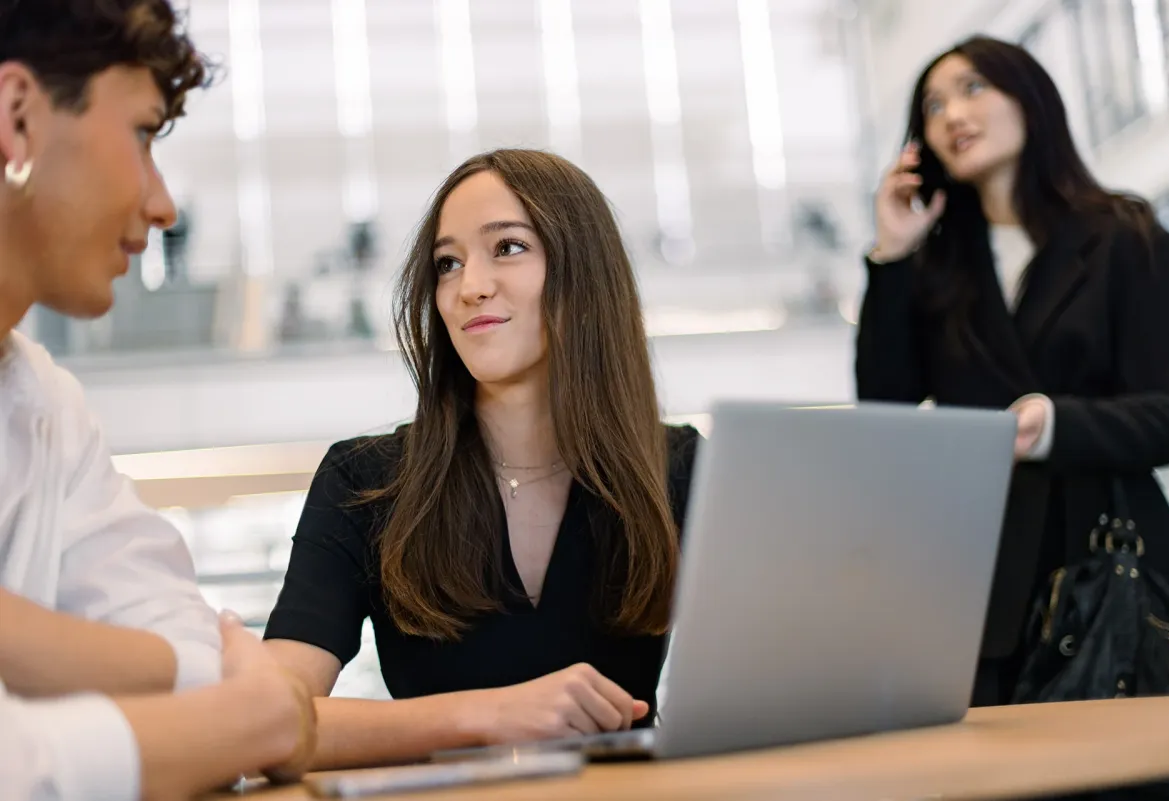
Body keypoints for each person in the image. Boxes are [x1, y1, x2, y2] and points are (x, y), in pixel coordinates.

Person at [264, 148, 701, 769]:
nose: (469, 287)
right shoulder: (364, 481)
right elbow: (267, 723)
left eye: (508, 248)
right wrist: (487, 716)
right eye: (448, 263)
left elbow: (787, 676)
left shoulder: (680, 469)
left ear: (585, 273)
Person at [0, 1, 315, 797]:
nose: (163, 204)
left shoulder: (49, 405)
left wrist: (24, 642)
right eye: (143, 135)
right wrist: (244, 720)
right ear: (16, 117)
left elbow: (190, 643)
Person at [856, 35, 1169, 706]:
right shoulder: (936, 268)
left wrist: (1054, 424)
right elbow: (885, 407)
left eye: (973, 88)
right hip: (982, 585)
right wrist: (891, 255)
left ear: (1030, 100)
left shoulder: (1123, 235)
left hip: (1112, 579)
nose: (952, 115)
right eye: (933, 106)